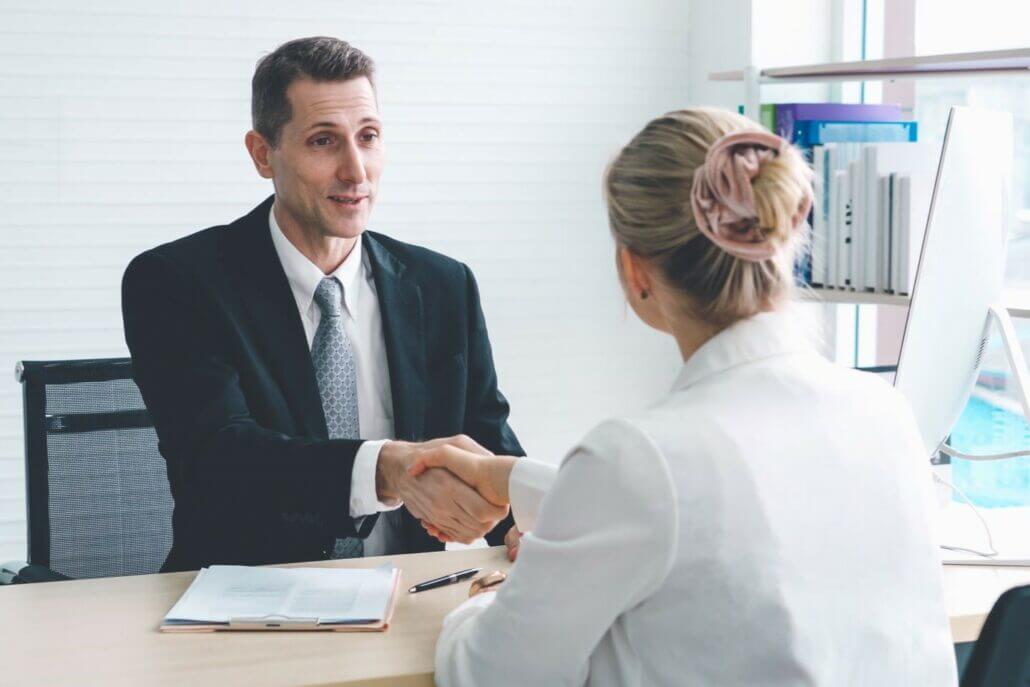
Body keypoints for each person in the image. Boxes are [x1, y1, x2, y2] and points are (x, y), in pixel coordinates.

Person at [413, 108, 958, 685]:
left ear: (635, 271)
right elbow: (713, 520)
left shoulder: (637, 458)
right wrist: (514, 478)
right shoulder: (884, 412)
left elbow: (489, 674)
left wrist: (486, 602)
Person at [121, 36, 522, 572]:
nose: (356, 171)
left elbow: (487, 446)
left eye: (369, 137)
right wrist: (385, 467)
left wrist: (525, 524)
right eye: (323, 141)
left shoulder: (443, 285)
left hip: (405, 599)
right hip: (242, 610)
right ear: (263, 154)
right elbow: (218, 458)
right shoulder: (178, 282)